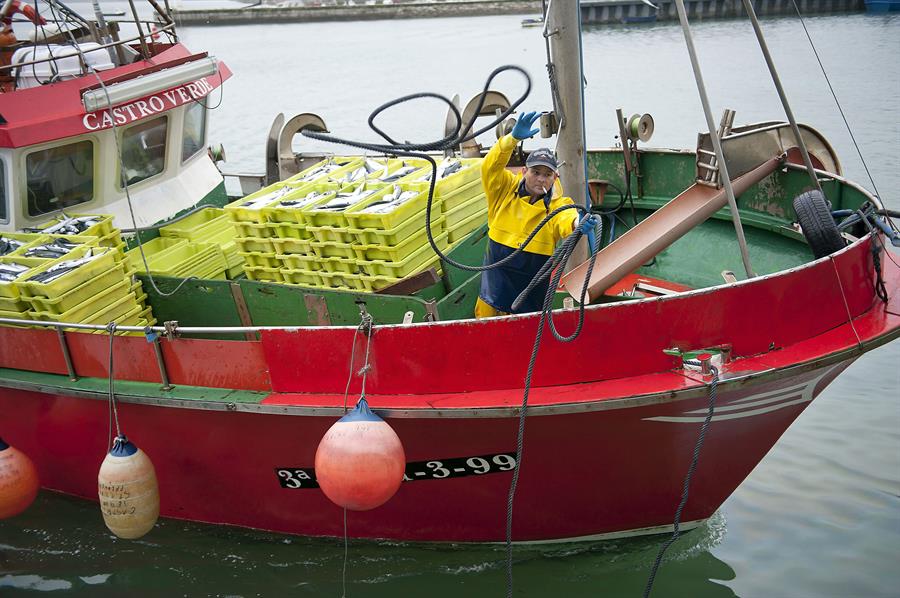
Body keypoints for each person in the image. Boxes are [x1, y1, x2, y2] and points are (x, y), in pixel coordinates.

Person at [475, 111, 592, 318]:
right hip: (494, 284)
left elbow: (566, 219)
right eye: (535, 172)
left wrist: (577, 223)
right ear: (523, 171)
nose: (541, 179)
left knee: (524, 333)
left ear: (555, 177)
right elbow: (490, 167)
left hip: (529, 290)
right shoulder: (503, 190)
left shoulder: (558, 205)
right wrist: (512, 140)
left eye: (547, 174)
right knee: (485, 326)